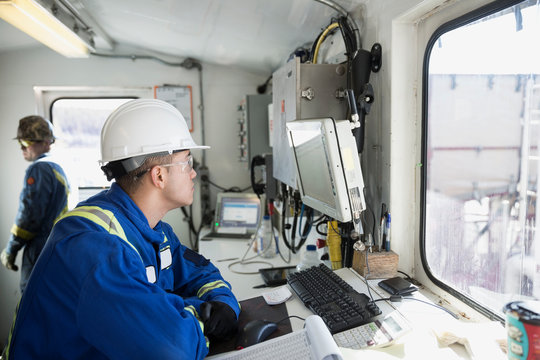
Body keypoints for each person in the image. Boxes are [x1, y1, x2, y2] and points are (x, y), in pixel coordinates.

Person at [4, 99, 240, 359]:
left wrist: (222, 304)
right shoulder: (95, 249)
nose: (194, 173)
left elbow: (201, 274)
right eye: (187, 161)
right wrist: (198, 313)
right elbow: (171, 349)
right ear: (159, 175)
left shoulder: (151, 231)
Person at [1, 115, 69, 293]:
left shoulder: (39, 169)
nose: (22, 148)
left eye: (26, 142)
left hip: (40, 249)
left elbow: (30, 217)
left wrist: (11, 249)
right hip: (57, 247)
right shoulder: (57, 166)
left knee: (30, 302)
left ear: (46, 142)